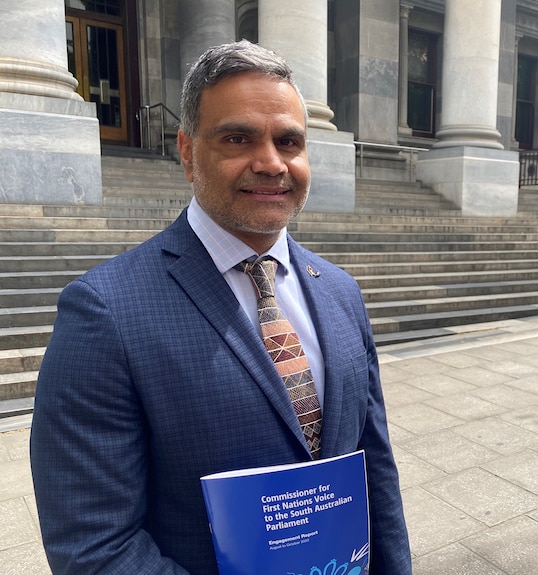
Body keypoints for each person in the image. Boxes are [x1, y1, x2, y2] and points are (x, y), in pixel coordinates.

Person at [30, 40, 412, 575]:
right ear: (187, 151)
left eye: (289, 141)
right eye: (238, 138)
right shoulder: (105, 313)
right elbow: (95, 545)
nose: (271, 162)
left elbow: (376, 473)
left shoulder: (341, 292)